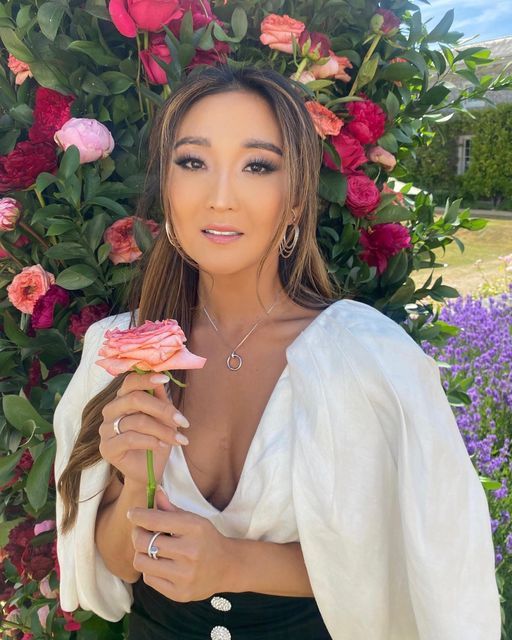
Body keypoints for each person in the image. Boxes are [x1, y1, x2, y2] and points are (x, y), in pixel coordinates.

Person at [54, 64, 501, 640]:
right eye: (193, 162)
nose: (220, 197)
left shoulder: (366, 359)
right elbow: (117, 564)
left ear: (295, 199)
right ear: (166, 189)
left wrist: (234, 563)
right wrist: (132, 473)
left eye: (257, 166)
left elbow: (416, 563)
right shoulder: (117, 351)